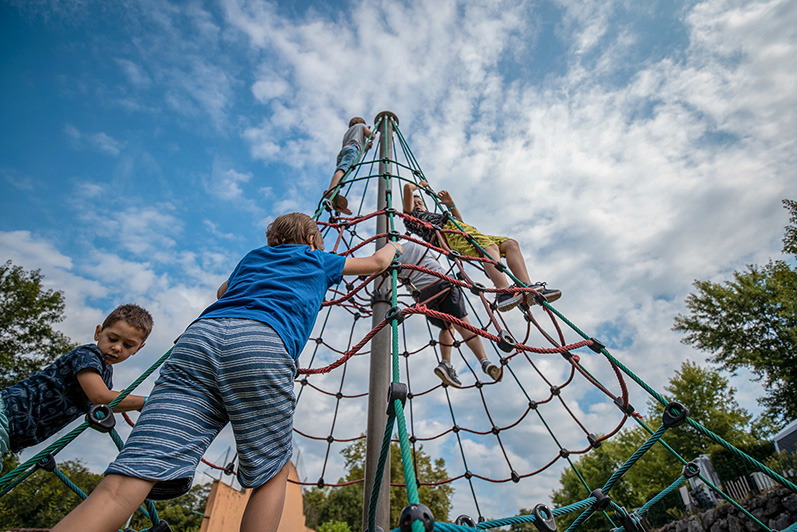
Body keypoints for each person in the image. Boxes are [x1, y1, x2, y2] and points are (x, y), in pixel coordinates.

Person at [53, 212, 401, 532]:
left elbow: (223, 292)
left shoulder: (252, 258)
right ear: (312, 242)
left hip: (199, 338)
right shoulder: (316, 258)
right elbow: (377, 262)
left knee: (129, 478)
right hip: (261, 342)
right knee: (272, 471)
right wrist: (396, 244)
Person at [0, 304, 151, 456]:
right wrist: (147, 401)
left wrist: (135, 404)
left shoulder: (105, 375)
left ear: (137, 349)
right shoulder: (87, 355)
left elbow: (107, 403)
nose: (117, 348)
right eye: (112, 339)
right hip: (6, 414)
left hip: (11, 434)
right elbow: (100, 397)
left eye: (128, 345)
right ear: (98, 332)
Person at [402, 180, 561, 312]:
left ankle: (526, 286)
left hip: (463, 229)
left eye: (420, 203)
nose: (417, 205)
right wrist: (420, 186)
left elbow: (459, 221)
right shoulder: (412, 218)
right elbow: (408, 188)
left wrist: (451, 205)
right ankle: (504, 292)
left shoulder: (435, 215)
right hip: (447, 235)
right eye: (414, 203)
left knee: (510, 244)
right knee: (489, 248)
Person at [396, 239, 501, 387]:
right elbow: (434, 260)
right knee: (463, 323)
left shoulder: (392, 256)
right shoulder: (416, 244)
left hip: (424, 296)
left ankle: (445, 363)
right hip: (442, 282)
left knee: (447, 326)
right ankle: (485, 361)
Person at [323, 117, 373, 215]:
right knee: (342, 170)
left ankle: (333, 202)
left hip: (345, 150)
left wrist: (366, 147)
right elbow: (372, 136)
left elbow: (358, 144)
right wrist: (371, 133)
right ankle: (331, 190)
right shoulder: (361, 126)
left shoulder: (348, 132)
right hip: (352, 149)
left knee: (342, 173)